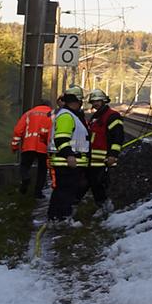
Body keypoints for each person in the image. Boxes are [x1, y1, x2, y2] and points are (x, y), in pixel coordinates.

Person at [45, 89, 92, 222]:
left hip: (70, 161)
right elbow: (61, 138)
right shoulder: (67, 116)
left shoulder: (71, 115)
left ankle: (56, 216)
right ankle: (61, 217)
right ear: (77, 101)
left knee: (65, 190)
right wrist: (69, 156)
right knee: (65, 191)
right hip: (67, 162)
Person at [85, 89, 125, 213]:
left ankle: (106, 208)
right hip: (93, 159)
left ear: (104, 101)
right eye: (93, 101)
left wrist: (113, 155)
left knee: (100, 184)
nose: (95, 104)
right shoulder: (96, 117)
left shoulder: (112, 116)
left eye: (97, 101)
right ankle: (101, 207)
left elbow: (118, 137)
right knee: (94, 183)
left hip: (104, 158)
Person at [11, 99, 55, 198]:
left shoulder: (29, 113)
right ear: (49, 106)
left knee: (24, 166)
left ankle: (25, 178)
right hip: (43, 147)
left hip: (28, 145)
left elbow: (18, 130)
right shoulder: (52, 115)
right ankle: (38, 192)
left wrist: (14, 146)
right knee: (42, 170)